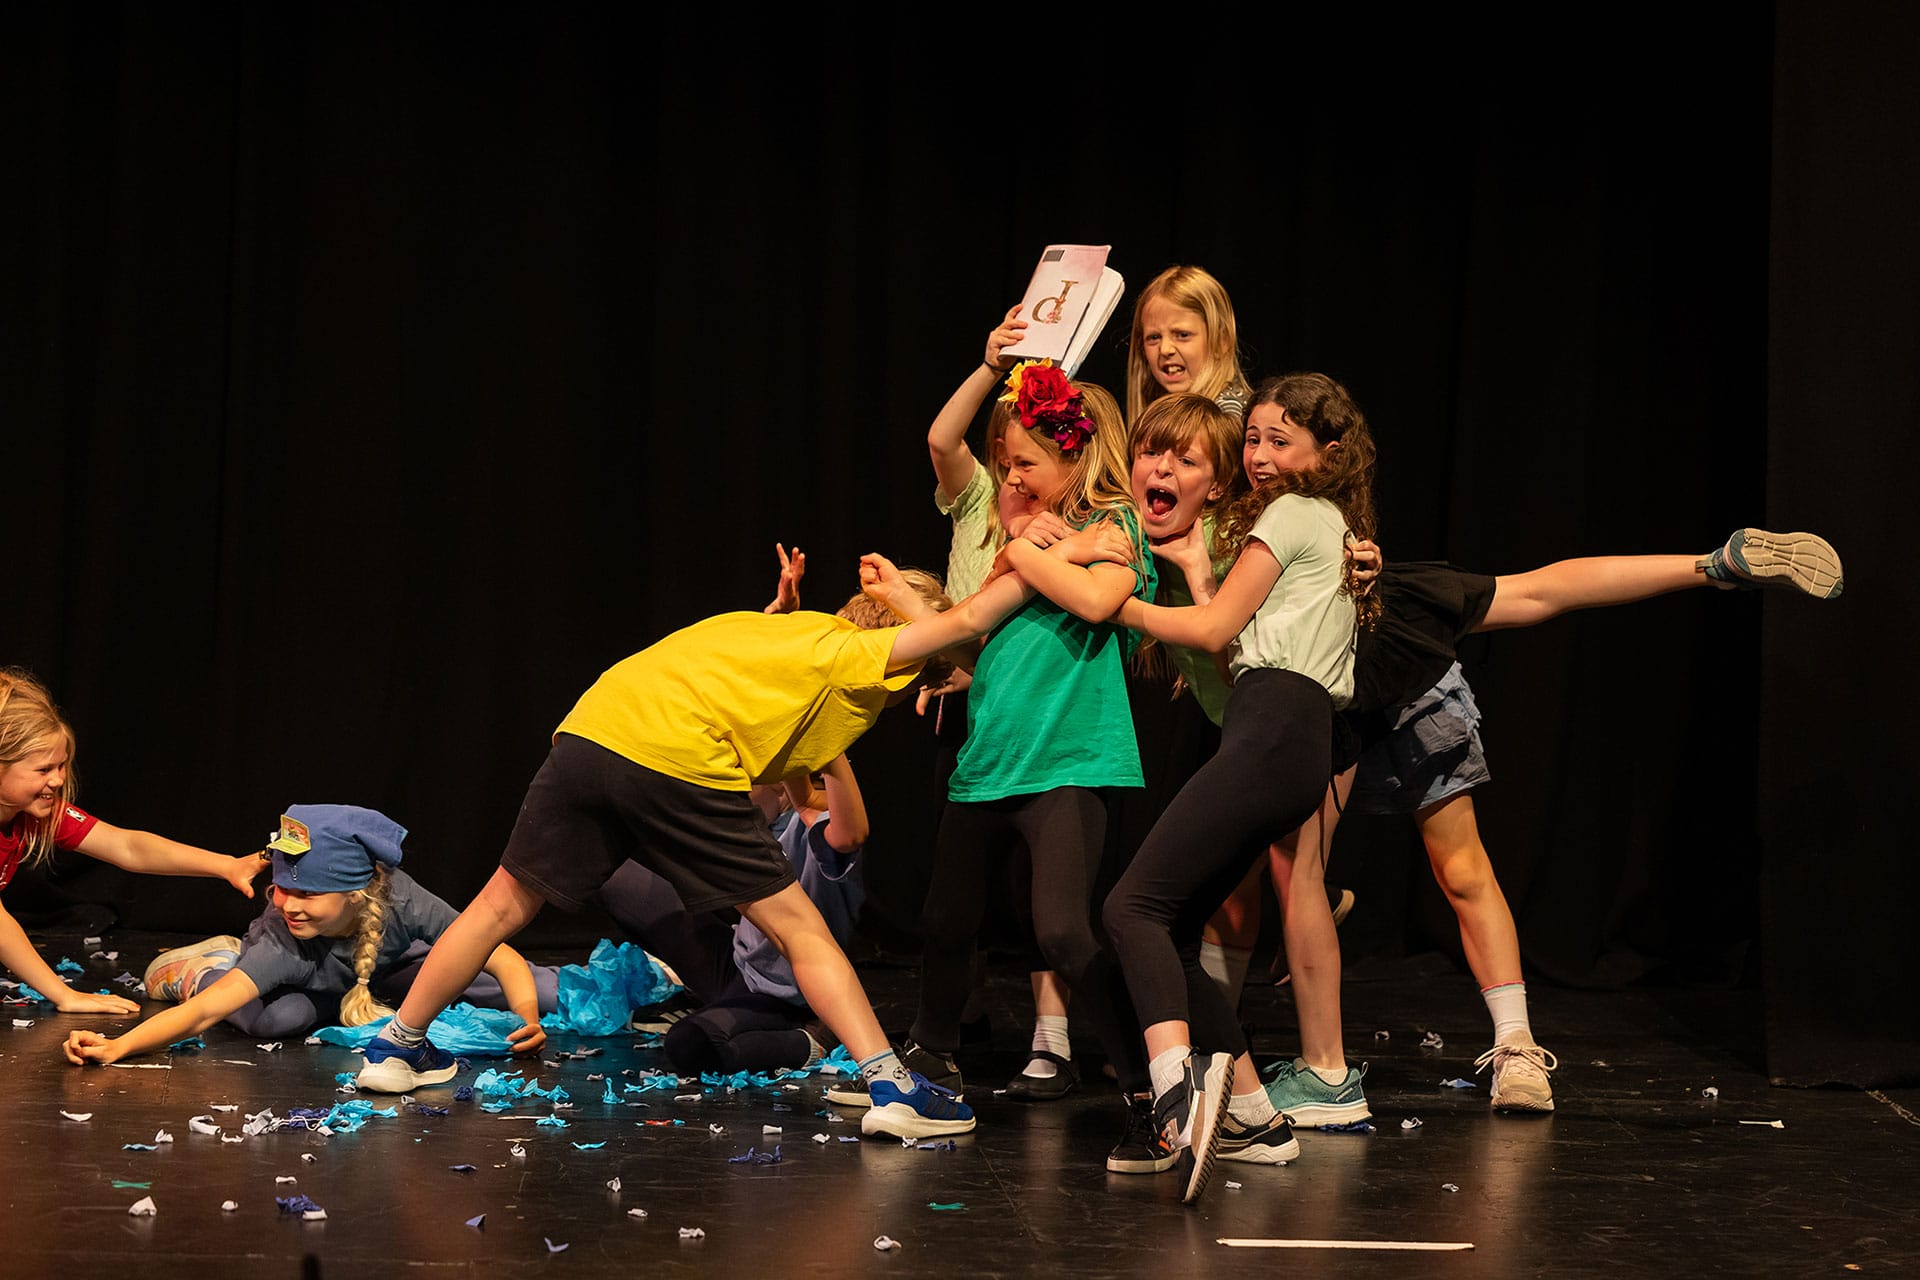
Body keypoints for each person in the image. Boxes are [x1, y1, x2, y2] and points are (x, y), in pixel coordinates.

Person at [349, 557, 1031, 1142]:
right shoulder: (855, 655)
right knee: (801, 930)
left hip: (591, 730)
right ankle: (893, 1087)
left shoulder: (786, 637)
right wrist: (1043, 564)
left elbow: (786, 765)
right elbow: (969, 621)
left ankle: (395, 1048)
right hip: (674, 752)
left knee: (499, 905)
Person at [1105, 373, 1380, 1204]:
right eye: (1252, 438)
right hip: (1286, 738)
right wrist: (1195, 570)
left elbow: (1216, 629)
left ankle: (1175, 1093)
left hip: (1274, 733)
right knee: (1173, 926)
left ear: (1328, 454)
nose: (1258, 455)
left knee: (1131, 909)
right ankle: (1256, 1119)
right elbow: (1236, 656)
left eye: (1278, 441)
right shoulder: (1327, 526)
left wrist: (1114, 604)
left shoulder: (1295, 512)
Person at [60, 803, 554, 1066]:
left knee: (531, 988)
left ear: (356, 894)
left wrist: (527, 1017)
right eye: (281, 890)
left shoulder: (402, 899)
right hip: (312, 985)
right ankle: (205, 967)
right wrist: (118, 1047)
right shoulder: (283, 939)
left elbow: (499, 955)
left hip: (383, 969)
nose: (289, 905)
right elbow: (203, 1014)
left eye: (309, 895)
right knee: (277, 1019)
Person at [0, 668, 261, 1016]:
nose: (59, 779)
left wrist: (227, 866)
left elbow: (126, 847)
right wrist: (64, 995)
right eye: (44, 770)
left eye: (62, 766)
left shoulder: (36, 814)